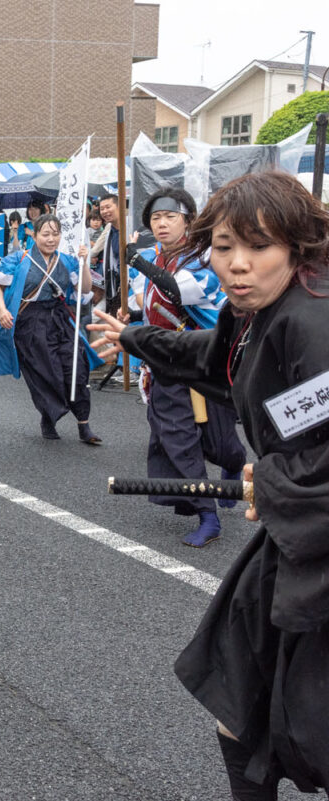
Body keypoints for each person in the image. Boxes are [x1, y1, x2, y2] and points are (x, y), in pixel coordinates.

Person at [88, 171, 329, 801]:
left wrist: (272, 479)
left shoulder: (314, 322)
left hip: (319, 553)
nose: (238, 265)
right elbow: (215, 359)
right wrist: (134, 336)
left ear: (297, 247)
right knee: (238, 697)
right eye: (225, 247)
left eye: (260, 246)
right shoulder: (255, 312)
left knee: (309, 722)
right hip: (296, 539)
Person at [121, 186, 246, 548]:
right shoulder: (152, 258)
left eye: (169, 216)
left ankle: (233, 466)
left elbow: (178, 291)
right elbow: (143, 302)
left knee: (221, 443)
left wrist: (138, 263)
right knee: (176, 438)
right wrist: (128, 315)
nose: (161, 224)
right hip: (165, 362)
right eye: (155, 218)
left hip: (205, 359)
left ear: (188, 220)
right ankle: (208, 514)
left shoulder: (206, 257)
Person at [0, 213, 102, 443]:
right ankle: (49, 417)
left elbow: (84, 289)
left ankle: (84, 424)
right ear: (35, 234)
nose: (51, 239)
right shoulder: (18, 259)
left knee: (77, 368)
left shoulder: (68, 260)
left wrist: (85, 263)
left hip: (60, 320)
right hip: (31, 322)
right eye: (46, 234)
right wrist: (2, 311)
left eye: (56, 234)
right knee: (47, 372)